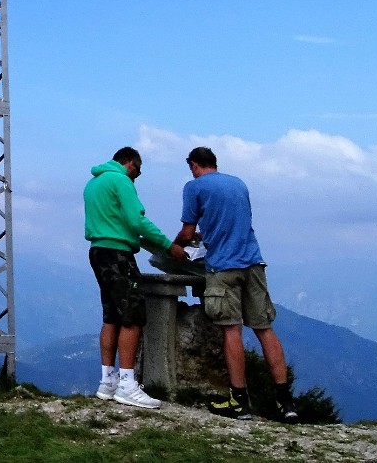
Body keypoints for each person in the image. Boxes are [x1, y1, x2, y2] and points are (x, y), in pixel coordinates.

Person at [173, 146, 299, 422]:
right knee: (265, 329)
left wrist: (173, 247)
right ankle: (285, 401)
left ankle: (239, 401)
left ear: (194, 165)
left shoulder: (194, 187)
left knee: (232, 331)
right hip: (253, 262)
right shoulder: (238, 183)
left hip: (223, 266)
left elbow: (188, 231)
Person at [84, 146, 186, 409]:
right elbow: (136, 221)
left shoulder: (93, 184)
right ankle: (128, 384)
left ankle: (107, 380)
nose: (137, 177)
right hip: (118, 254)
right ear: (130, 163)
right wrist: (168, 246)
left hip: (98, 251)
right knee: (133, 314)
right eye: (138, 171)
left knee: (111, 315)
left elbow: (118, 223)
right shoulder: (121, 181)